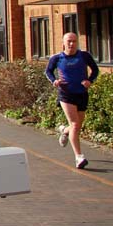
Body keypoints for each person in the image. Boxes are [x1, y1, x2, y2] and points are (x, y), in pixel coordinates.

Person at [45, 32, 99, 169]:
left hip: (81, 93)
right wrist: (54, 81)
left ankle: (64, 131)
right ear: (63, 42)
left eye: (74, 41)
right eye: (69, 41)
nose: (71, 44)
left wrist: (90, 81)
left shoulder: (84, 55)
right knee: (75, 124)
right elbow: (48, 72)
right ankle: (79, 157)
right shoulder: (57, 58)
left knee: (77, 125)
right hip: (66, 94)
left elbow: (95, 70)